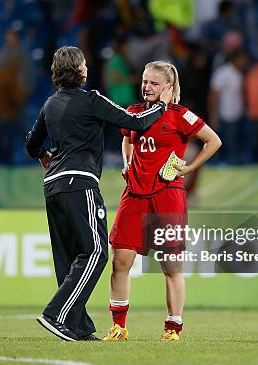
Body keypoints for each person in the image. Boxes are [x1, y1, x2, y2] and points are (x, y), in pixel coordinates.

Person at [25, 46, 173, 342]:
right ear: (81, 71)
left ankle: (76, 327)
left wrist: (44, 155)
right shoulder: (91, 100)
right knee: (95, 251)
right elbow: (137, 123)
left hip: (53, 185)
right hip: (80, 182)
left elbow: (31, 143)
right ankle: (56, 313)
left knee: (69, 258)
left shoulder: (50, 104)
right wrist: (161, 106)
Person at [105, 61, 221, 341]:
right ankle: (119, 327)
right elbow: (127, 139)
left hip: (167, 196)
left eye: (154, 83)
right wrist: (127, 161)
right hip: (134, 194)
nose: (147, 87)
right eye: (145, 81)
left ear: (169, 87)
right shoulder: (133, 112)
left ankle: (173, 328)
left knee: (171, 266)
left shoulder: (180, 116)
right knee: (120, 261)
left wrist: (190, 168)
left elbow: (214, 141)